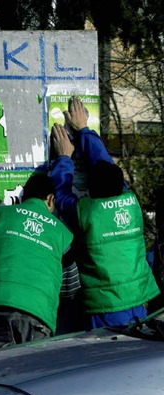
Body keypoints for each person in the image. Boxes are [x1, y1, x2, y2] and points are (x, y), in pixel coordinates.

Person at [49, 95, 160, 328]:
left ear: (90, 191)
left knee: (105, 358)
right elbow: (104, 161)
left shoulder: (86, 212)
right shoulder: (131, 202)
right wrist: (84, 130)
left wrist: (62, 158)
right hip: (138, 300)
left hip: (104, 307)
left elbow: (60, 192)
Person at [0, 173, 76, 352]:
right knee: (30, 376)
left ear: (23, 197)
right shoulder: (62, 233)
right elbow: (71, 287)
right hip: (37, 312)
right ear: (51, 199)